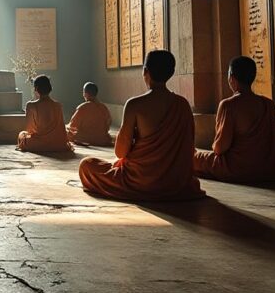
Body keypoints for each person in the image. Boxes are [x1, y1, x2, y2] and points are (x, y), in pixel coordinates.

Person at [78, 50, 205, 201]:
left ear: (145, 71)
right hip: (176, 182)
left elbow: (120, 152)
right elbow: (188, 148)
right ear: (171, 73)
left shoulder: (135, 105)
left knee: (87, 165)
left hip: (141, 181)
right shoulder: (182, 105)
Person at [193, 56, 275, 183]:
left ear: (231, 78)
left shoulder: (229, 105)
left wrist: (214, 145)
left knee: (195, 158)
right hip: (271, 169)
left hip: (237, 168)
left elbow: (220, 148)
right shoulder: (269, 104)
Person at [17, 75, 72, 153]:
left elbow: (29, 129)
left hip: (39, 144)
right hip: (59, 144)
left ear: (36, 89)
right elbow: (61, 129)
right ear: (50, 88)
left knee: (22, 134)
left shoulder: (31, 105)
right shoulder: (58, 105)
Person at [66, 82, 113, 147]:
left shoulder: (82, 107)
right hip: (102, 140)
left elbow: (72, 126)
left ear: (86, 94)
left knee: (65, 131)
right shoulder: (104, 107)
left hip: (84, 139)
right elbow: (108, 125)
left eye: (83, 92)